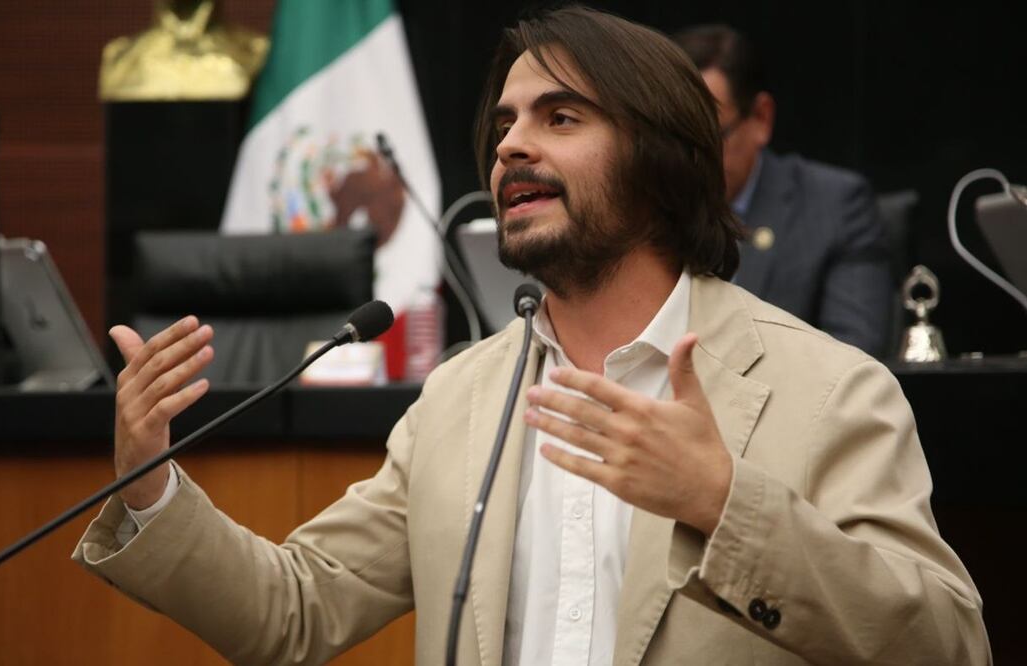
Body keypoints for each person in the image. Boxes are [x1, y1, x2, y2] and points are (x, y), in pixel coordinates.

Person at [74, 7, 989, 664]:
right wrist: (150, 484)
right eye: (504, 123)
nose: (510, 145)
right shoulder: (460, 400)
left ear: (662, 157)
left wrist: (723, 501)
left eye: (560, 117)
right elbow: (294, 612)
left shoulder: (827, 390)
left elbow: (946, 643)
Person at [674, 24, 892, 357]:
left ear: (761, 118)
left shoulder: (835, 206)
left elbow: (854, 358)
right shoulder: (642, 208)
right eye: (673, 138)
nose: (688, 157)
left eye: (707, 137)